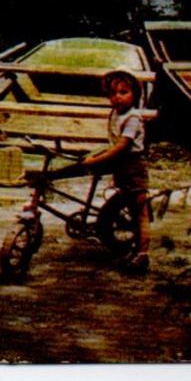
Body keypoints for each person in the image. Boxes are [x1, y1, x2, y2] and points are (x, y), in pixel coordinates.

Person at [41, 69, 152, 273]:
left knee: (140, 212)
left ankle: (143, 254)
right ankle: (122, 240)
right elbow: (112, 143)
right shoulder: (116, 113)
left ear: (134, 94)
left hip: (133, 165)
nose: (117, 97)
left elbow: (122, 145)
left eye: (123, 92)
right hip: (120, 164)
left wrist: (97, 159)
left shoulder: (133, 118)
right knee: (123, 197)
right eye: (112, 93)